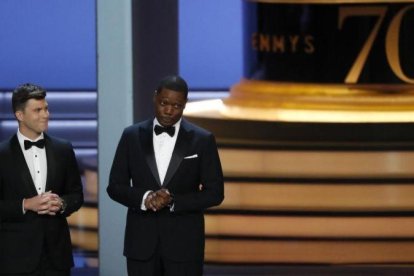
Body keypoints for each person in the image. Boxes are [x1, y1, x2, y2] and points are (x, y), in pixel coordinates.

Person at [107, 75, 224, 276]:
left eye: (177, 106)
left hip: (185, 246)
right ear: (155, 97)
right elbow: (115, 186)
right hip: (141, 245)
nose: (169, 111)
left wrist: (174, 201)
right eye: (164, 103)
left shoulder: (202, 140)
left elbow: (215, 193)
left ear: (185, 104)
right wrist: (145, 198)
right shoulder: (131, 136)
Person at [0, 83, 84, 275]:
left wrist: (62, 203)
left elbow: (76, 195)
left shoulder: (63, 149)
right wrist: (26, 204)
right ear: (19, 115)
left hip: (56, 257)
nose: (46, 115)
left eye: (46, 108)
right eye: (37, 110)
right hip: (14, 258)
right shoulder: (2, 154)